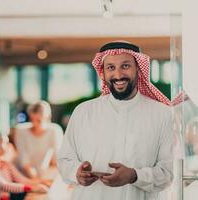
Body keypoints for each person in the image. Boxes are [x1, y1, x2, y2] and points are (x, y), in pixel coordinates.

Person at [57, 41, 174, 200]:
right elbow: (64, 160)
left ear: (138, 69)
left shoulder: (163, 114)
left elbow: (168, 172)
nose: (118, 75)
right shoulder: (83, 112)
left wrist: (134, 176)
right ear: (103, 72)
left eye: (125, 66)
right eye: (110, 67)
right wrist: (76, 172)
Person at [0, 131, 48, 200]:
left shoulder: (6, 164)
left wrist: (43, 182)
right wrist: (32, 188)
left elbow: (22, 180)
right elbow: (4, 185)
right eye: (4, 142)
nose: (8, 145)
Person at [15, 101, 63, 178]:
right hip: (21, 174)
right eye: (32, 119)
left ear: (47, 117)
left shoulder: (54, 130)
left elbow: (57, 156)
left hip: (43, 174)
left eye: (39, 120)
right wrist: (35, 179)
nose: (35, 123)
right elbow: (23, 158)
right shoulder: (21, 130)